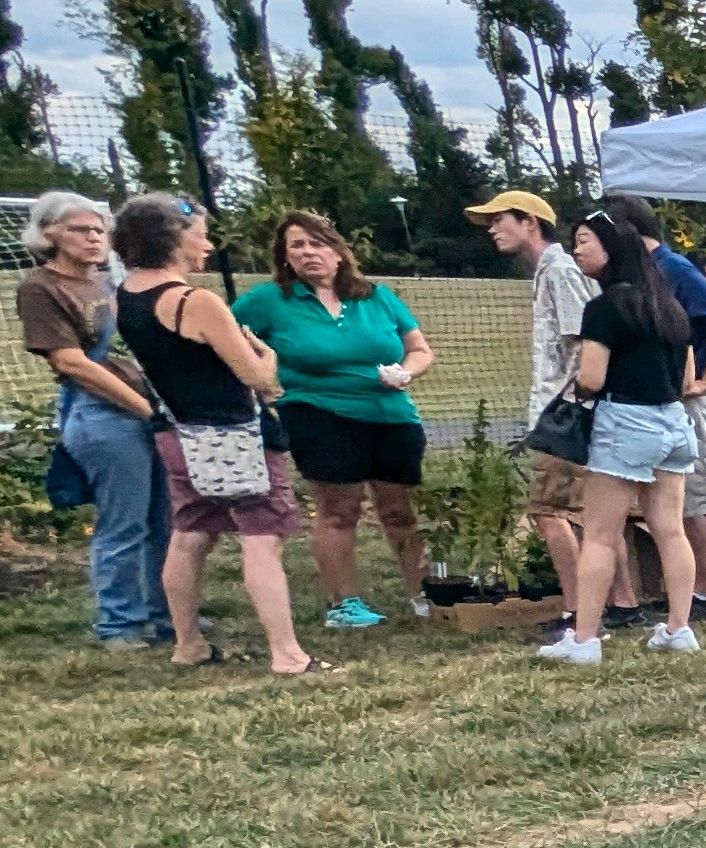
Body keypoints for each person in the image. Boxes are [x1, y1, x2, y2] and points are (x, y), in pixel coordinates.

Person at [111, 195, 321, 675]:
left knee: (190, 534)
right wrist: (267, 357)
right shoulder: (194, 301)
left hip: (177, 432)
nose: (207, 243)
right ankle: (287, 653)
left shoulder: (125, 296)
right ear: (173, 239)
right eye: (200, 233)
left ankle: (188, 645)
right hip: (234, 435)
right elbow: (258, 377)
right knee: (262, 535)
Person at [234, 213, 431, 628]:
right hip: (318, 413)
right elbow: (225, 338)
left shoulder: (375, 296)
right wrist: (261, 376)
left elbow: (419, 349)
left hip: (391, 414)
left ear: (339, 252)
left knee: (399, 511)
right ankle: (345, 604)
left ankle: (424, 594)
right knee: (339, 511)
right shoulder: (268, 300)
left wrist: (407, 372)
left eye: (317, 243)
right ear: (285, 258)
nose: (309, 252)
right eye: (297, 246)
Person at [538, 211, 700, 664]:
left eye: (585, 240)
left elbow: (591, 377)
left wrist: (579, 391)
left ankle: (585, 640)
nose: (577, 249)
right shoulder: (670, 306)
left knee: (601, 535)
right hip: (673, 423)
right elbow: (688, 381)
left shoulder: (604, 308)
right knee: (670, 529)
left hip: (625, 422)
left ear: (612, 248)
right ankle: (679, 627)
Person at [16, 190, 168, 646]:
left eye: (99, 229)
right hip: (104, 416)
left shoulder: (107, 285)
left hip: (151, 410)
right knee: (123, 523)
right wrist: (145, 410)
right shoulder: (40, 288)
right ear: (48, 233)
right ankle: (120, 622)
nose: (93, 237)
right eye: (80, 229)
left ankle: (167, 613)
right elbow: (71, 363)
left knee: (165, 521)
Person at [471, 188, 623, 626]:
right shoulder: (550, 270)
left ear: (530, 223)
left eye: (500, 220)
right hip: (563, 407)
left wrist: (568, 408)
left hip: (564, 411)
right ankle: (611, 603)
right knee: (586, 513)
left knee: (549, 511)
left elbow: (583, 340)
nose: (493, 230)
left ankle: (579, 608)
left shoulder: (559, 269)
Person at [603, 195, 706, 620]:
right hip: (667, 402)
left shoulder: (674, 268)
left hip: (695, 404)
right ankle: (701, 591)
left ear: (626, 230)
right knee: (686, 504)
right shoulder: (643, 273)